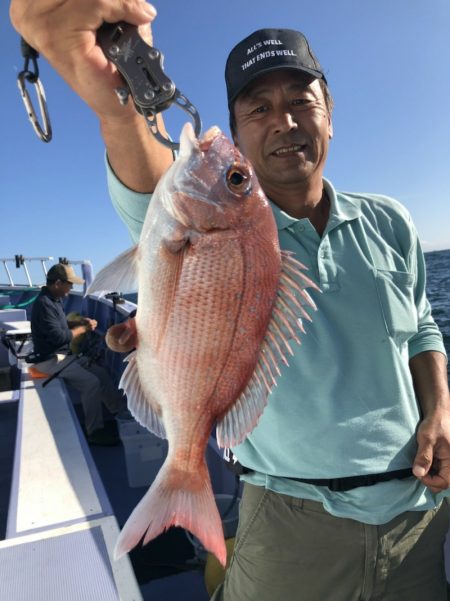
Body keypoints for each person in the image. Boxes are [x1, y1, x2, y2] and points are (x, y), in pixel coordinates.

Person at [9, 3, 450, 599]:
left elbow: (422, 327)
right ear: (237, 132)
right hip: (291, 521)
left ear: (330, 113)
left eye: (302, 100)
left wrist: (440, 409)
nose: (286, 122)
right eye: (259, 108)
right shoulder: (200, 225)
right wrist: (111, 94)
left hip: (420, 513)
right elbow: (143, 167)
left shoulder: (391, 220)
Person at [30, 263, 128, 446]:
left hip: (62, 356)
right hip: (50, 360)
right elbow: (59, 337)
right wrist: (84, 328)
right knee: (91, 383)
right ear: (58, 283)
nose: (71, 289)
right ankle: (94, 431)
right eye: (70, 284)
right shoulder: (44, 304)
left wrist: (81, 322)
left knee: (101, 374)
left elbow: (60, 326)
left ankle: (121, 414)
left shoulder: (53, 300)